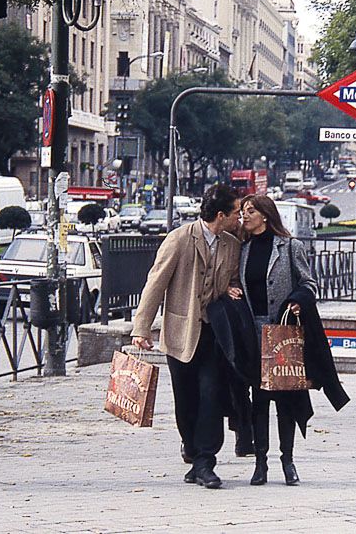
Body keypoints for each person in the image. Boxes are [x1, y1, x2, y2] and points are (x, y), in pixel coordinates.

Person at [131, 184, 241, 489]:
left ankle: (206, 461)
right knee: (186, 399)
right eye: (235, 212)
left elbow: (231, 278)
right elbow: (155, 283)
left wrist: (230, 288)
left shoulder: (232, 244)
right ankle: (191, 450)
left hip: (213, 334)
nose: (239, 218)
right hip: (180, 333)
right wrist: (141, 329)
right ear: (221, 215)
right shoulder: (180, 239)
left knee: (211, 395)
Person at [237, 194, 349, 486]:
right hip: (254, 333)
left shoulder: (289, 247)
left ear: (265, 215)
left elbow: (309, 283)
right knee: (259, 400)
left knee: (286, 398)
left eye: (250, 211)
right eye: (243, 211)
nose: (244, 216)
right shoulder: (242, 249)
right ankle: (260, 462)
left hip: (283, 333)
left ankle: (287, 460)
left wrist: (298, 301)